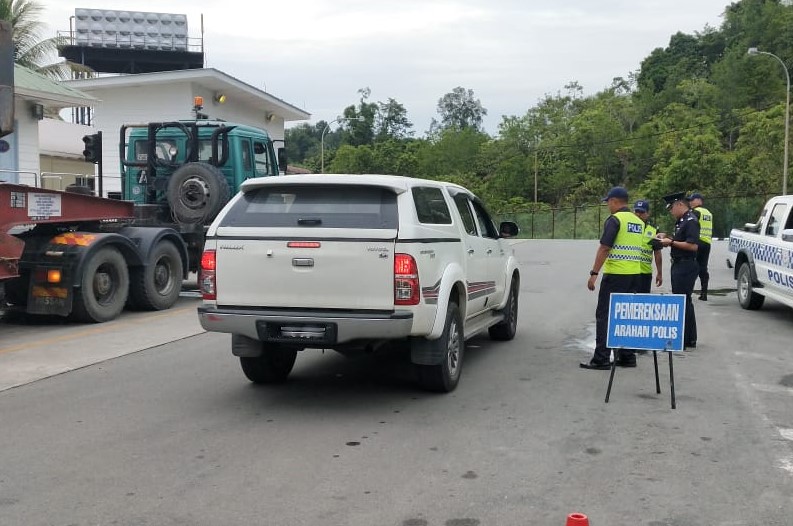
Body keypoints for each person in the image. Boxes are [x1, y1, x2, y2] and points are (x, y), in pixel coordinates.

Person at [581, 186, 645, 370]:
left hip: (616, 275)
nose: (608, 205)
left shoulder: (615, 220)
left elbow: (604, 248)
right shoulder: (637, 221)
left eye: (608, 202)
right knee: (626, 315)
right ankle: (627, 356)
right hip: (635, 275)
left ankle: (601, 358)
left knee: (605, 315)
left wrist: (594, 273)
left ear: (615, 201)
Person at [658, 192, 700, 349]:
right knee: (683, 301)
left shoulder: (691, 221)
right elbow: (679, 240)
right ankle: (687, 337)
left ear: (679, 205)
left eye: (671, 208)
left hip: (686, 265)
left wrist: (671, 242)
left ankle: (687, 338)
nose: (670, 212)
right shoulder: (681, 221)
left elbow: (693, 245)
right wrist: (666, 237)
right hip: (679, 264)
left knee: (683, 301)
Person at [633, 199, 663, 293]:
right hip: (630, 272)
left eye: (642, 212)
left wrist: (659, 273)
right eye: (636, 211)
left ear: (648, 213)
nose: (638, 214)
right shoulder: (628, 227)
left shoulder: (653, 231)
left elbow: (657, 253)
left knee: (642, 302)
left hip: (645, 273)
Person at [687, 192, 712, 301]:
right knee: (703, 267)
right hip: (707, 243)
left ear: (698, 200)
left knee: (691, 267)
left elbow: (690, 225)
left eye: (692, 200)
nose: (690, 202)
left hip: (696, 243)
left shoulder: (695, 212)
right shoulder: (709, 213)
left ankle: (688, 291)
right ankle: (704, 293)